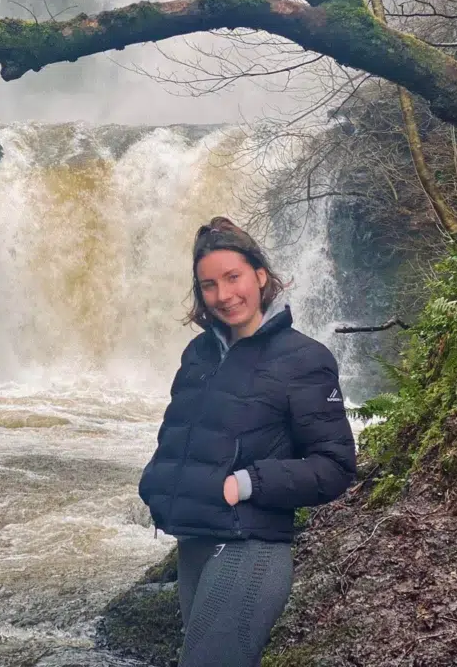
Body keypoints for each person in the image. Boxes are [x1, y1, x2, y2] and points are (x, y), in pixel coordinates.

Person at [138, 216, 356, 666]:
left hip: (251, 545)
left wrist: (246, 482)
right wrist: (158, 481)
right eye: (209, 285)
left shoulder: (304, 359)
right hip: (197, 539)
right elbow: (181, 434)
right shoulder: (198, 355)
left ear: (260, 275)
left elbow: (335, 466)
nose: (223, 295)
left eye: (233, 277)